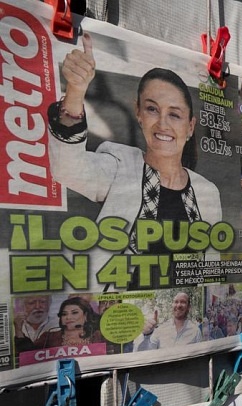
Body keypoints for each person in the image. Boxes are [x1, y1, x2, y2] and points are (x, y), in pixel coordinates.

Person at [48, 34, 222, 289]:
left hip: (183, 317)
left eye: (174, 115)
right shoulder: (119, 165)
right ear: (138, 113)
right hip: (119, 319)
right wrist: (75, 92)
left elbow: (211, 270)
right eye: (152, 109)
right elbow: (66, 168)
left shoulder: (207, 192)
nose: (162, 124)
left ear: (190, 126)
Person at [134, 291, 201, 350]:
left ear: (189, 307)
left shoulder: (195, 331)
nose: (178, 305)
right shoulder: (161, 329)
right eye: (176, 302)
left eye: (183, 302)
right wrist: (146, 335)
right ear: (172, 305)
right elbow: (146, 354)